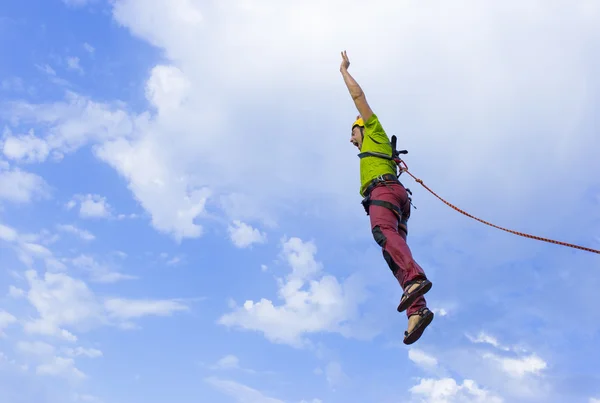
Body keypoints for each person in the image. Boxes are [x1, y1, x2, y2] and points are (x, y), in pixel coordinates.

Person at [339, 50, 434, 345]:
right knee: (392, 251)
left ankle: (415, 279)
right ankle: (417, 310)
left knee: (382, 232)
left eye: (353, 130)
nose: (350, 137)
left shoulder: (375, 132)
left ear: (362, 127)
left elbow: (359, 97)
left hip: (384, 192)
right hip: (396, 199)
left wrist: (344, 71)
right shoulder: (372, 151)